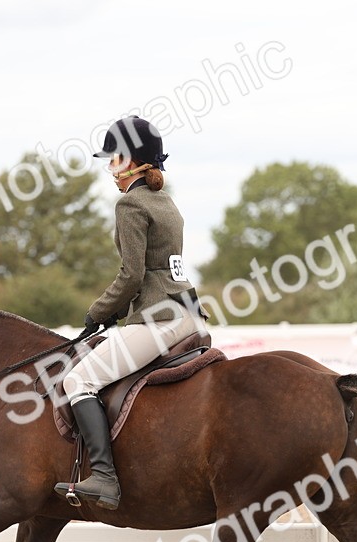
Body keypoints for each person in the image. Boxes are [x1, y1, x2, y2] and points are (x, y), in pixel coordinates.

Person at [54, 116, 207, 510]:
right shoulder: (165, 202)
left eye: (113, 159)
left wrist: (99, 311)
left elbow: (131, 274)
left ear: (131, 161)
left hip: (159, 321)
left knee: (79, 380)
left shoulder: (130, 204)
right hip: (190, 314)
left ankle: (104, 476)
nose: (109, 168)